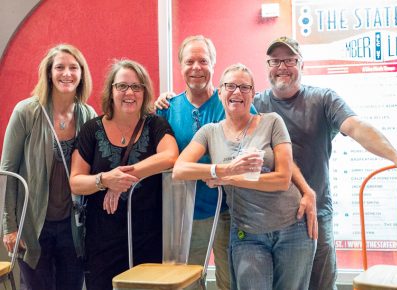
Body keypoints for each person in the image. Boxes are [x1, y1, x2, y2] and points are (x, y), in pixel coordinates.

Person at [253, 36, 397, 290]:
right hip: (270, 219)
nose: (282, 67)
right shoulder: (256, 104)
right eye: (275, 61)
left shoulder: (323, 99)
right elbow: (221, 118)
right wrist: (168, 100)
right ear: (267, 66)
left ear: (302, 64)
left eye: (289, 60)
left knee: (321, 284)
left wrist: (396, 157)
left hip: (316, 214)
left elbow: (356, 127)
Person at [173, 63, 316, 290]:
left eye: (244, 87)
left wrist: (229, 178)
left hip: (292, 227)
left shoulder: (272, 122)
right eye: (230, 86)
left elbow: (282, 179)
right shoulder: (209, 132)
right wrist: (223, 170)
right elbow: (180, 169)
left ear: (253, 94)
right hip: (246, 233)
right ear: (219, 92)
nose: (237, 92)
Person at [69, 59, 179, 290]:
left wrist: (122, 180)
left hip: (147, 239)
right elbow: (76, 182)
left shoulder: (155, 125)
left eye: (136, 87)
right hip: (101, 242)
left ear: (144, 92)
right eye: (122, 86)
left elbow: (170, 156)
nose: (129, 92)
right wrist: (106, 179)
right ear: (111, 91)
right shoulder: (92, 129)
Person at [0, 44, 97, 290]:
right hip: (32, 225)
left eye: (73, 67)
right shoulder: (26, 112)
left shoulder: (88, 115)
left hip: (73, 228)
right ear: (49, 73)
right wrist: (11, 227)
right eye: (60, 67)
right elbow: (8, 173)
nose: (67, 73)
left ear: (82, 73)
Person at [156, 35, 232, 290]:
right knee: (187, 283)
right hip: (186, 214)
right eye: (190, 61)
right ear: (180, 66)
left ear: (213, 64)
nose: (196, 67)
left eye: (203, 60)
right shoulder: (167, 108)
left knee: (230, 282)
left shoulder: (230, 104)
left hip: (229, 212)